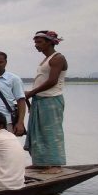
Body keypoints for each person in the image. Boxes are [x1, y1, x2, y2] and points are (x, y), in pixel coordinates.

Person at [24, 30, 68, 173]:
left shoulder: (57, 58)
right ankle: (41, 162)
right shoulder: (45, 59)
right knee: (38, 132)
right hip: (40, 100)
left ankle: (56, 165)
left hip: (51, 99)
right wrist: (31, 94)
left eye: (39, 42)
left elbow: (52, 81)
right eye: (35, 42)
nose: (36, 45)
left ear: (50, 42)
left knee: (52, 132)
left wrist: (31, 92)